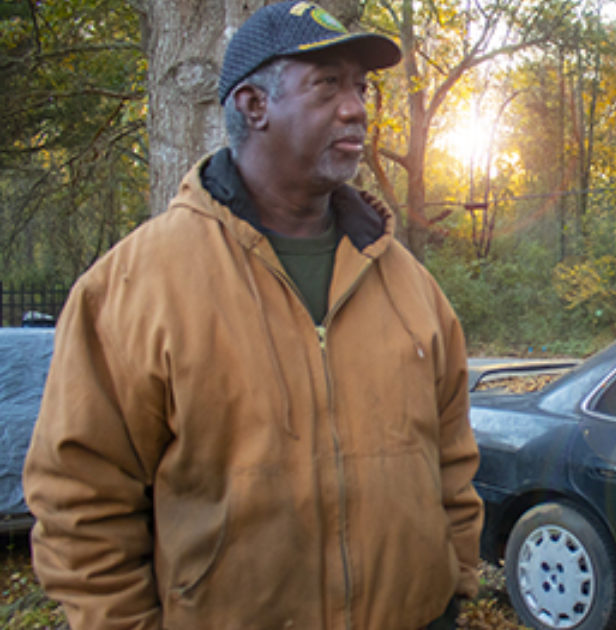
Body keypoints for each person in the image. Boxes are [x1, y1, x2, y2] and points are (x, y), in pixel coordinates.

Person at [22, 2, 483, 628]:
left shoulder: (409, 284)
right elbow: (81, 500)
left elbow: (452, 457)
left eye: (361, 87)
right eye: (327, 84)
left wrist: (453, 586)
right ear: (253, 105)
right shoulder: (134, 286)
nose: (356, 108)